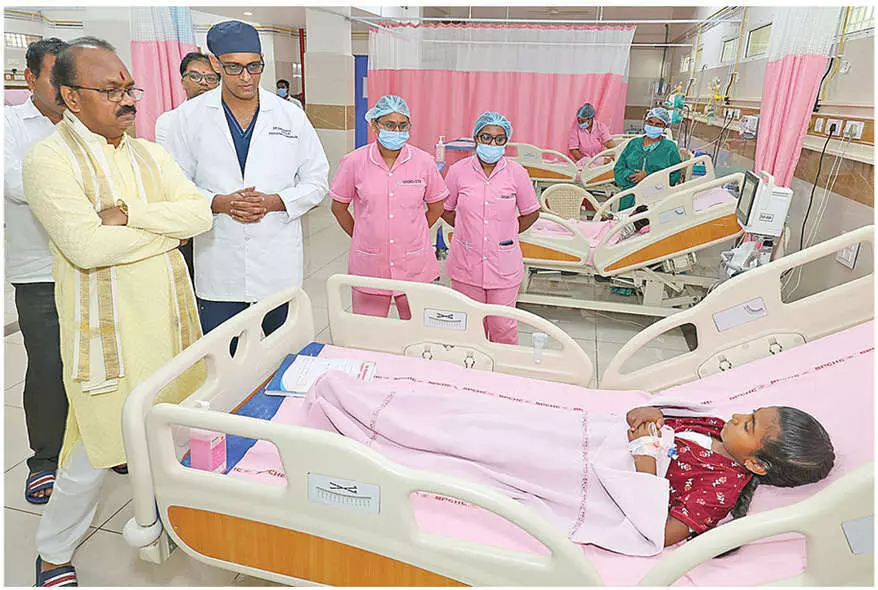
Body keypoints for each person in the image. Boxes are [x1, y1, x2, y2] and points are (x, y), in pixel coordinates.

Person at [23, 36, 212, 586]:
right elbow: (86, 246)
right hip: (106, 335)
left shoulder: (149, 153)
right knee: (93, 449)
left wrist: (127, 215)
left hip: (166, 322)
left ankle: (166, 520)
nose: (127, 99)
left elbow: (200, 215)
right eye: (110, 90)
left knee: (166, 429)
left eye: (130, 88)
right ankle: (53, 551)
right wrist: (165, 232)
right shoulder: (49, 160)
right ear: (71, 96)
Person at [164, 20, 329, 339]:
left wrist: (275, 202)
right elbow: (174, 184)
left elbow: (317, 179)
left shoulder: (290, 116)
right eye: (234, 67)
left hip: (277, 262)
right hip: (219, 264)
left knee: (281, 350)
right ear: (215, 63)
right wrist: (218, 203)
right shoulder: (187, 119)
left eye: (254, 66)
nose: (246, 77)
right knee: (223, 356)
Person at [5, 37, 69, 506]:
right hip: (39, 269)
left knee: (101, 360)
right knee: (48, 364)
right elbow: (15, 182)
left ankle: (105, 444)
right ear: (30, 78)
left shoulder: (86, 119)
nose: (65, 90)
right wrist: (77, 191)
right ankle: (45, 458)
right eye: (54, 78)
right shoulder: (10, 124)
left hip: (96, 262)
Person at [626, 405, 834, 546]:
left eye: (747, 426)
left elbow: (661, 534)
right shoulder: (714, 427)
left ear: (756, 464)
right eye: (751, 413)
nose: (736, 416)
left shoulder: (721, 489)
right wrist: (651, 414)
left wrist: (645, 460)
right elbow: (654, 423)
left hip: (622, 482)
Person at [329, 95, 447, 319]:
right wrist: (363, 235)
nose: (397, 131)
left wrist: (414, 231)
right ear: (374, 125)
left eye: (403, 125)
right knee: (369, 329)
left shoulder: (424, 162)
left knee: (417, 329)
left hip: (414, 262)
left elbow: (437, 206)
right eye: (390, 125)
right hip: (370, 264)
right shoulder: (354, 162)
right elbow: (339, 207)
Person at [441, 112, 540, 344]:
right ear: (476, 138)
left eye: (499, 139)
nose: (492, 143)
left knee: (502, 326)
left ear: (506, 141)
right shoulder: (458, 171)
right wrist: (468, 228)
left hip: (503, 265)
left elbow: (531, 212)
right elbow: (445, 208)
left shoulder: (517, 173)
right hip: (466, 263)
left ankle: (502, 367)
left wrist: (507, 231)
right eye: (486, 137)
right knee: (469, 327)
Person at [154, 52, 220, 283]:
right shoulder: (169, 121)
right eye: (195, 76)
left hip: (223, 210)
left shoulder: (225, 120)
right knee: (191, 275)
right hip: (188, 209)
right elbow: (170, 173)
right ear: (183, 81)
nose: (203, 83)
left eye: (211, 78)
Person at [613, 106, 682, 209]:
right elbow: (619, 168)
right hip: (629, 195)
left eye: (658, 124)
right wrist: (632, 176)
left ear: (665, 127)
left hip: (656, 197)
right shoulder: (633, 144)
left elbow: (674, 175)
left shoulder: (670, 148)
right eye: (650, 122)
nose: (653, 126)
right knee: (626, 218)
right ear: (645, 122)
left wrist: (647, 176)